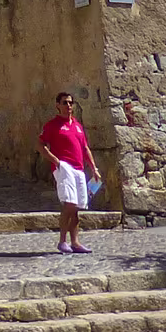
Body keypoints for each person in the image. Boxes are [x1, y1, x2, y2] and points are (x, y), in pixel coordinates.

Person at [38, 91, 102, 255]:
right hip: (64, 167)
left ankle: (75, 242)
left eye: (70, 103)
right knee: (69, 204)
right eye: (65, 102)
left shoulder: (78, 126)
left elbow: (85, 148)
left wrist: (94, 168)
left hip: (79, 169)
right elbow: (41, 145)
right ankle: (62, 241)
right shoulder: (52, 125)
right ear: (57, 105)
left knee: (77, 207)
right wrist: (56, 161)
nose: (68, 106)